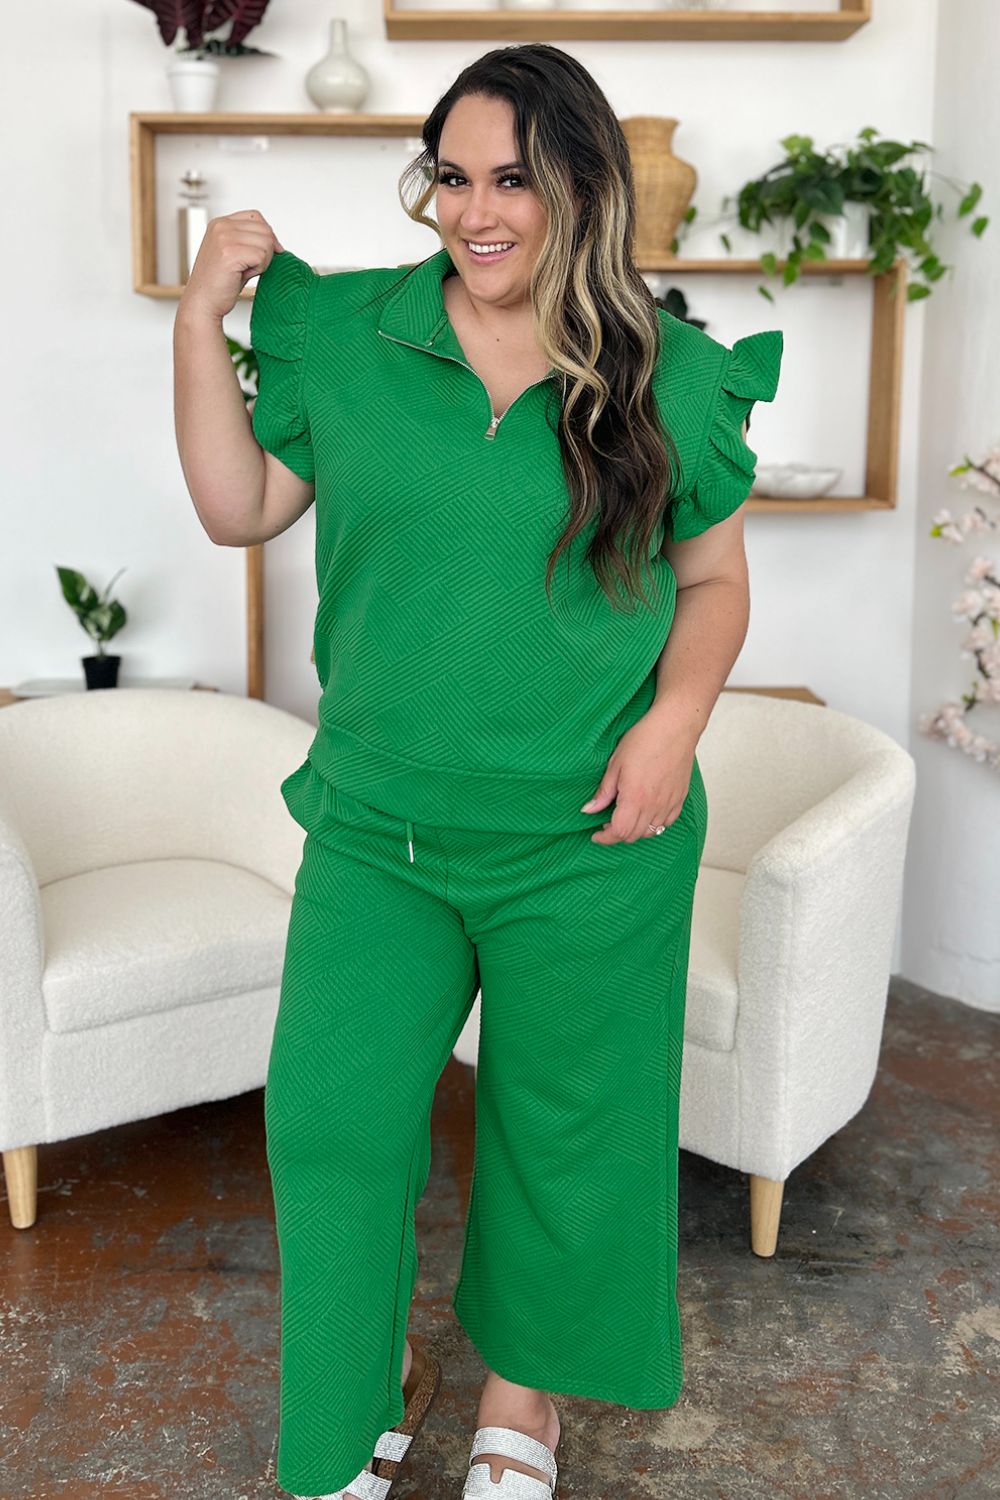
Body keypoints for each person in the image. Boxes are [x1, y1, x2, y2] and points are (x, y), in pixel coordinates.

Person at [173, 41, 782, 1500]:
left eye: (515, 177)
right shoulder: (350, 336)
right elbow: (237, 504)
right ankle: (350, 1399)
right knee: (333, 1122)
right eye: (452, 175)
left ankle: (526, 1399)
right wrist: (201, 322)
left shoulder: (668, 377)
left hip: (593, 834)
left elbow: (714, 587)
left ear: (582, 188)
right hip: (382, 829)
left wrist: (673, 727)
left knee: (564, 1133)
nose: (476, 210)